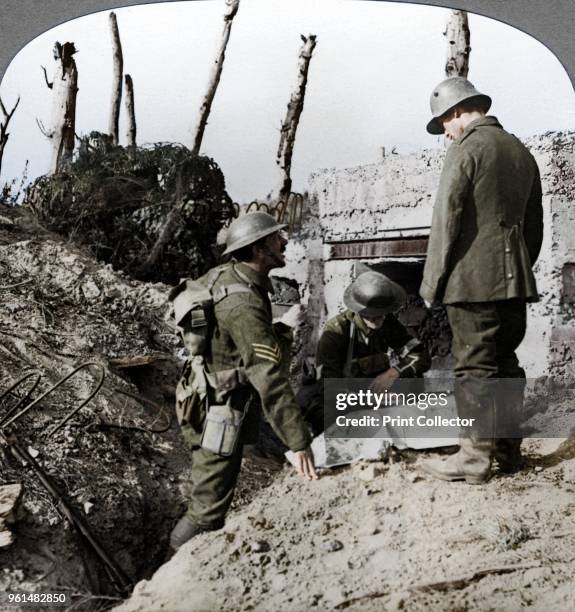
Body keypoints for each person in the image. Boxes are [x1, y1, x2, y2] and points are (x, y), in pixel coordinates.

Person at [419, 77, 543, 483]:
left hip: (471, 281)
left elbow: (446, 220)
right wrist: (519, 269)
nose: (446, 133)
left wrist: (431, 284)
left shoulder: (466, 148)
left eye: (444, 124)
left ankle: (473, 460)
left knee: (473, 368)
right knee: (506, 364)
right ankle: (508, 453)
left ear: (457, 112)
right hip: (514, 281)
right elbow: (535, 227)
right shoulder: (521, 152)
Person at [169, 211, 317, 552]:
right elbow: (268, 377)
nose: (284, 242)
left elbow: (240, 346)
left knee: (213, 495)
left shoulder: (229, 276)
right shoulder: (243, 302)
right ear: (259, 248)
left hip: (213, 397)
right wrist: (299, 443)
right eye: (276, 238)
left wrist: (281, 328)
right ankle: (163, 582)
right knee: (208, 509)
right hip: (219, 412)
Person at [308, 269, 430, 433]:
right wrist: (370, 400)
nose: (376, 319)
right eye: (370, 315)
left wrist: (393, 373)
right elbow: (329, 388)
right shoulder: (337, 330)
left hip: (378, 395)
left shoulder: (388, 324)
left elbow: (420, 355)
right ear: (357, 309)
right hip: (347, 400)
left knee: (414, 378)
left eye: (381, 314)